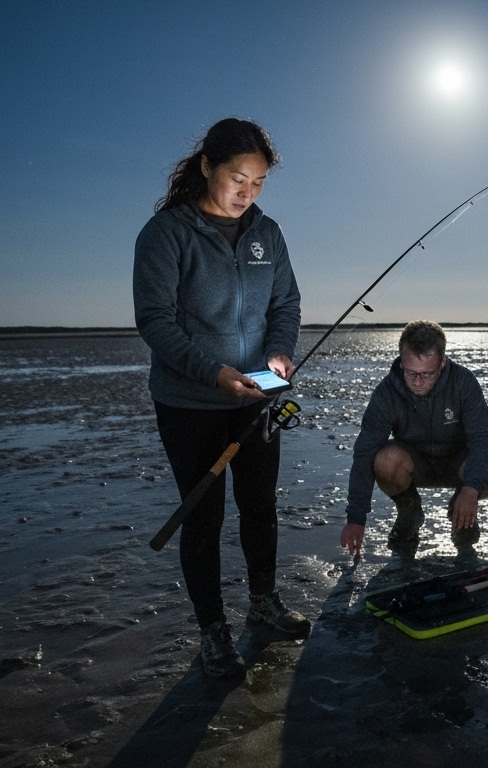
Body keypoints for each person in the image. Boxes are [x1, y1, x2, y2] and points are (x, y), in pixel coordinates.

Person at [133, 117, 311, 677]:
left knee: (260, 505)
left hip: (257, 396)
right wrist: (213, 373)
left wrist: (278, 352)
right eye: (238, 178)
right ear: (207, 166)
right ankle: (213, 630)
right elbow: (155, 321)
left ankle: (263, 602)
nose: (247, 193)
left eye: (258, 183)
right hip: (190, 403)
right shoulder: (166, 234)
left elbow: (286, 304)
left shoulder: (267, 233)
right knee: (203, 516)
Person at [341, 321, 488, 559]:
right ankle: (409, 511)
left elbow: (484, 438)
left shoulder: (463, 382)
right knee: (384, 459)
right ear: (401, 362)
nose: (418, 382)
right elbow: (364, 452)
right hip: (413, 464)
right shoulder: (386, 392)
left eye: (427, 374)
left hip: (458, 464)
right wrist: (356, 518)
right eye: (410, 372)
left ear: (442, 363)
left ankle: (460, 512)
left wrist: (471, 490)